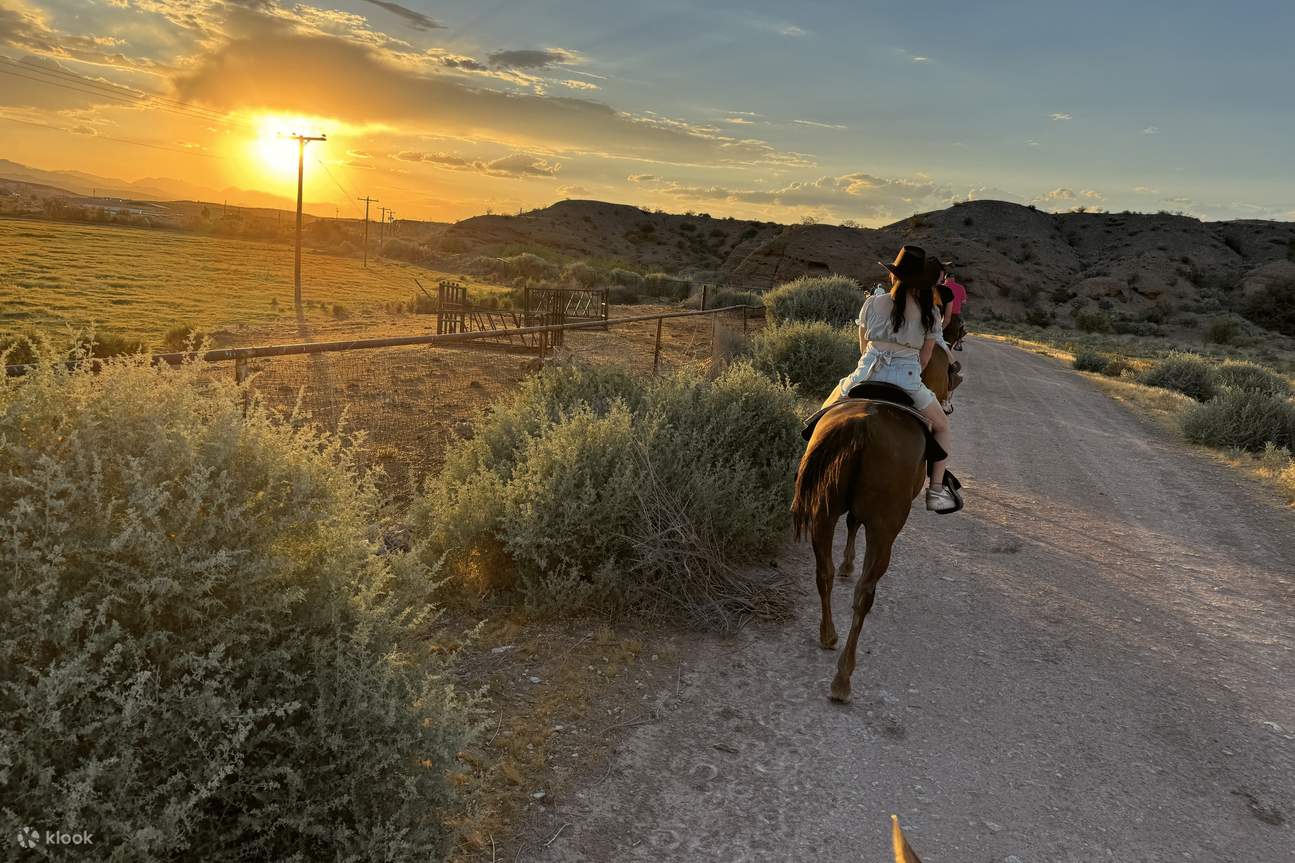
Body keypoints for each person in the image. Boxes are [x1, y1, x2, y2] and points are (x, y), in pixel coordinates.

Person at [836, 245, 959, 513]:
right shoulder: (930, 313)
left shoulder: (872, 302)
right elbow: (924, 361)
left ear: (893, 276)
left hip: (866, 374)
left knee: (826, 412)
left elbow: (862, 347)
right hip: (906, 380)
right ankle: (937, 492)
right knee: (942, 426)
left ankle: (803, 465)